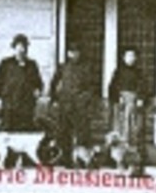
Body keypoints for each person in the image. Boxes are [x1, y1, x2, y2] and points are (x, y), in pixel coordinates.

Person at [49, 43, 97, 160]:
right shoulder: (63, 67)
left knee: (82, 133)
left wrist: (85, 98)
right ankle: (66, 159)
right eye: (71, 52)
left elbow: (92, 86)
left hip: (80, 106)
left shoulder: (86, 68)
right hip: (65, 104)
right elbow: (54, 83)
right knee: (64, 132)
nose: (74, 54)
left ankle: (82, 159)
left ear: (80, 53)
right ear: (68, 54)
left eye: (76, 52)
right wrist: (54, 99)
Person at [107, 48, 150, 176]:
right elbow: (112, 88)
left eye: (133, 56)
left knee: (134, 134)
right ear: (123, 58)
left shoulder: (139, 72)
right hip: (121, 108)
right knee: (120, 134)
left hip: (134, 108)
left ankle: (135, 166)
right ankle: (119, 164)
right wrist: (118, 97)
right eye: (128, 56)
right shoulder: (119, 72)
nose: (131, 58)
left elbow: (144, 88)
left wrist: (141, 98)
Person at [0, 34, 44, 132]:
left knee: (24, 132)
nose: (21, 50)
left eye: (24, 47)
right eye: (19, 47)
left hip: (26, 106)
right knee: (7, 131)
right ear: (14, 48)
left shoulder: (32, 65)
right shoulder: (6, 63)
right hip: (9, 105)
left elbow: (39, 83)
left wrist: (38, 90)